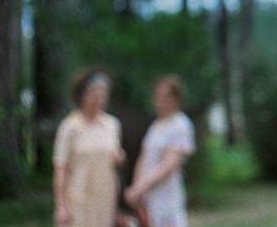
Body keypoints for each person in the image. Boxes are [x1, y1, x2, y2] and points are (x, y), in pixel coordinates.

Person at [53, 68, 125, 227]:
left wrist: (119, 157)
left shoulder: (112, 125)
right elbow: (61, 169)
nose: (100, 97)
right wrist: (61, 206)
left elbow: (115, 156)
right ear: (83, 95)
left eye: (104, 92)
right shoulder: (69, 127)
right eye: (95, 92)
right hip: (78, 201)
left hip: (105, 200)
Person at [125, 75, 195, 227]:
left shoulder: (180, 124)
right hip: (149, 197)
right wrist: (137, 186)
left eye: (165, 97)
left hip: (167, 197)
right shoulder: (156, 126)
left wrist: (141, 187)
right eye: (157, 96)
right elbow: (143, 157)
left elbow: (169, 165)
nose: (159, 101)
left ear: (176, 99)